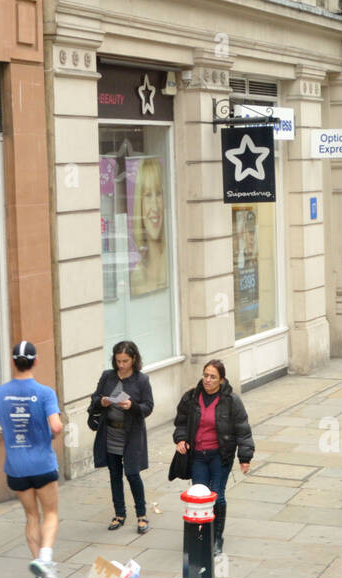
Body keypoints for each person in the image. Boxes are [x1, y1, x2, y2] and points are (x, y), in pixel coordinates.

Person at [0, 341, 66, 578]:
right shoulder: (45, 393)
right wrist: (51, 436)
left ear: (13, 362)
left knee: (31, 516)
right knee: (51, 513)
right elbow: (56, 426)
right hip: (43, 464)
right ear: (35, 361)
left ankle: (39, 575)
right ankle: (46, 560)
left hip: (16, 468)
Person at [173, 360, 254, 557]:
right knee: (200, 498)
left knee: (217, 496)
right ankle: (202, 537)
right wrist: (181, 439)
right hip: (198, 456)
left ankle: (217, 538)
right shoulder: (192, 397)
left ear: (222, 380)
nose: (207, 380)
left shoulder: (231, 401)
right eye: (205, 375)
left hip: (220, 455)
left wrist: (245, 457)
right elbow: (181, 422)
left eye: (212, 377)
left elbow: (242, 430)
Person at [88, 340, 157, 534]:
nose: (121, 365)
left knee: (133, 474)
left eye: (125, 361)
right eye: (118, 361)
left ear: (134, 359)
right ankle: (119, 513)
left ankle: (141, 515)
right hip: (110, 432)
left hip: (131, 434)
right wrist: (101, 401)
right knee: (114, 474)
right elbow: (94, 399)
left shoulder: (141, 380)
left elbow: (148, 407)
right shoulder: (107, 377)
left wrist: (132, 406)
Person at [128, 157, 168, 295]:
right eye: (148, 195)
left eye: (158, 194)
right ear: (140, 203)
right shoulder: (136, 277)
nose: (155, 207)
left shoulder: (173, 260)